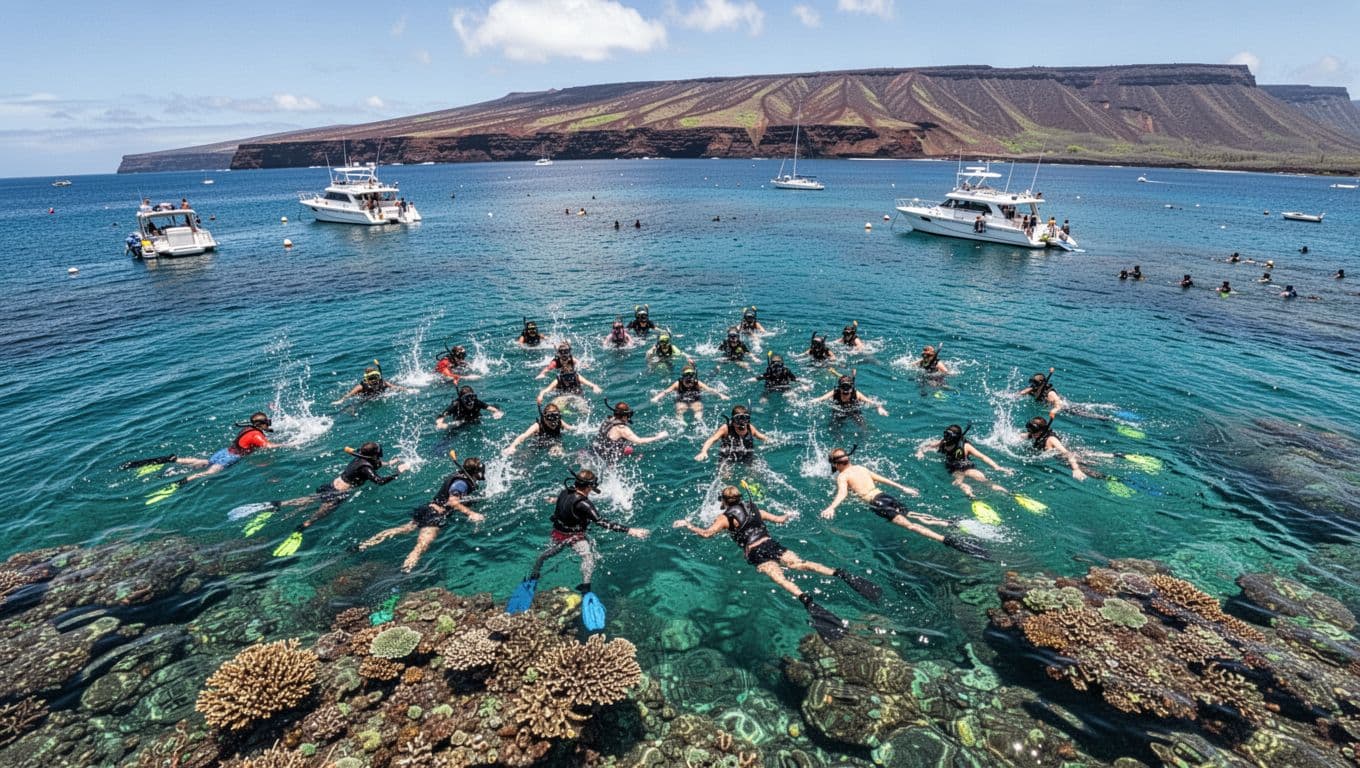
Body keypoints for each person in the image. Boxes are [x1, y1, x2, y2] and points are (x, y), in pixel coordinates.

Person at [674, 486, 881, 641]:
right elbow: (779, 520)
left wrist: (688, 525)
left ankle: (809, 602)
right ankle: (840, 574)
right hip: (772, 544)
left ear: (724, 501)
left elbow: (707, 534)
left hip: (756, 552)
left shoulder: (724, 518)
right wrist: (788, 514)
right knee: (802, 564)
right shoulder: (755, 508)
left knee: (781, 579)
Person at [821, 447, 989, 559]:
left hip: (877, 503)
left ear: (835, 465)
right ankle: (953, 523)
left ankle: (949, 541)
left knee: (911, 526)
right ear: (847, 460)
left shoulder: (842, 477)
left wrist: (831, 507)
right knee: (915, 515)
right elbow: (883, 479)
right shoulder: (861, 468)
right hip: (886, 496)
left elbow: (842, 493)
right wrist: (903, 488)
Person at [517, 470, 649, 604]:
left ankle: (533, 577)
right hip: (575, 538)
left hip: (557, 534)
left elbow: (563, 502)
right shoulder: (584, 504)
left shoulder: (564, 492)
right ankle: (586, 588)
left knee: (543, 556)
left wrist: (554, 500)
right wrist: (629, 530)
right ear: (589, 487)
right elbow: (602, 522)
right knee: (588, 557)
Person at [256, 443, 410, 557]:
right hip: (337, 494)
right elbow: (379, 481)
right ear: (376, 453)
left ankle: (279, 504)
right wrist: (398, 472)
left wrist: (389, 463)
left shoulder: (360, 457)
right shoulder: (365, 467)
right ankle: (301, 528)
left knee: (310, 500)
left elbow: (373, 464)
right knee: (319, 514)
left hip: (331, 486)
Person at [358, 454, 485, 572]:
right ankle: (405, 572)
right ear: (476, 472)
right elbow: (453, 502)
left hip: (428, 508)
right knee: (421, 546)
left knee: (404, 528)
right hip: (435, 515)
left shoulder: (459, 476)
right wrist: (471, 514)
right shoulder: (462, 483)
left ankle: (365, 544)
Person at [124, 412, 283, 486]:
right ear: (261, 424)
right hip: (231, 458)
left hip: (224, 451)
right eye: (267, 422)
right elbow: (269, 446)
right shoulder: (256, 435)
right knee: (209, 472)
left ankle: (174, 459)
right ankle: (183, 481)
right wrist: (292, 444)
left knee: (205, 462)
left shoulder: (247, 429)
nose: (269, 424)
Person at [914, 425, 1012, 498]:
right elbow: (926, 446)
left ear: (954, 437)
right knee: (966, 482)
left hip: (958, 467)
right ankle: (971, 495)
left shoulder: (965, 446)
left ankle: (1006, 493)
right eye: (945, 434)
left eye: (947, 435)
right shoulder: (943, 442)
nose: (945, 437)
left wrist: (997, 467)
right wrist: (920, 452)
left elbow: (983, 457)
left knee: (970, 481)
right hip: (962, 467)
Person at [592, 402, 668, 461]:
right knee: (632, 450)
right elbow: (639, 441)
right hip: (608, 456)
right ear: (625, 415)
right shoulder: (622, 429)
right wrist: (658, 437)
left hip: (597, 449)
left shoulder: (608, 420)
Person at [695, 405, 767, 462]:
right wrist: (703, 452)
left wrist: (770, 441)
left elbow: (762, 437)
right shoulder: (726, 428)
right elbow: (711, 440)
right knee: (725, 475)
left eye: (744, 420)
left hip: (747, 453)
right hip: (727, 454)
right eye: (738, 420)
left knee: (753, 471)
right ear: (732, 421)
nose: (741, 424)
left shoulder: (750, 428)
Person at [651, 365, 728, 417]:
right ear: (683, 376)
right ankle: (680, 422)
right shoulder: (678, 384)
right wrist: (657, 397)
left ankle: (698, 423)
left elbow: (709, 389)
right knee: (680, 409)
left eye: (691, 376)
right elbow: (666, 391)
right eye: (687, 376)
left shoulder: (697, 383)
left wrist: (721, 395)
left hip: (695, 399)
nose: (689, 379)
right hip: (681, 399)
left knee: (698, 409)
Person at [503, 403, 571, 457]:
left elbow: (571, 428)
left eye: (556, 417)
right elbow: (524, 436)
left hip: (554, 442)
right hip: (538, 444)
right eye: (549, 418)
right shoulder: (537, 426)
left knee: (559, 452)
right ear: (544, 418)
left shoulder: (560, 422)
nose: (553, 422)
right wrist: (512, 446)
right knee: (525, 456)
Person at [811, 372, 889, 418]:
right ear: (839, 387)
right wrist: (807, 402)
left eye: (847, 387)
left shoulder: (856, 394)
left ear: (851, 388)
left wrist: (879, 407)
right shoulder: (835, 392)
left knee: (862, 427)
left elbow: (871, 402)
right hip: (838, 410)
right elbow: (820, 399)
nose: (845, 390)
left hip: (854, 410)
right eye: (843, 387)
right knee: (834, 428)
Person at [435, 385, 503, 430]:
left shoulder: (476, 402)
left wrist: (496, 412)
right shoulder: (456, 405)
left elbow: (491, 408)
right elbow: (441, 416)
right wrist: (440, 424)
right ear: (461, 399)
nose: (470, 401)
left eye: (472, 397)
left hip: (475, 420)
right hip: (459, 423)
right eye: (466, 398)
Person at [334, 366, 409, 405]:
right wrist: (341, 400)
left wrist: (407, 390)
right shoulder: (361, 387)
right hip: (365, 399)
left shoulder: (383, 382)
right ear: (367, 379)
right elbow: (349, 394)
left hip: (378, 397)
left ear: (378, 376)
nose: (373, 380)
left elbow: (394, 387)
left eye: (375, 378)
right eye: (371, 378)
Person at [536, 361, 603, 405]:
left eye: (570, 375)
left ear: (573, 374)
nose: (568, 378)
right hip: (563, 396)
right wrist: (540, 395)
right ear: (562, 375)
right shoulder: (558, 380)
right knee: (555, 407)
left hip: (577, 396)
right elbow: (545, 390)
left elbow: (591, 384)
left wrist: (595, 388)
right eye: (566, 376)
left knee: (585, 410)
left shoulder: (577, 377)